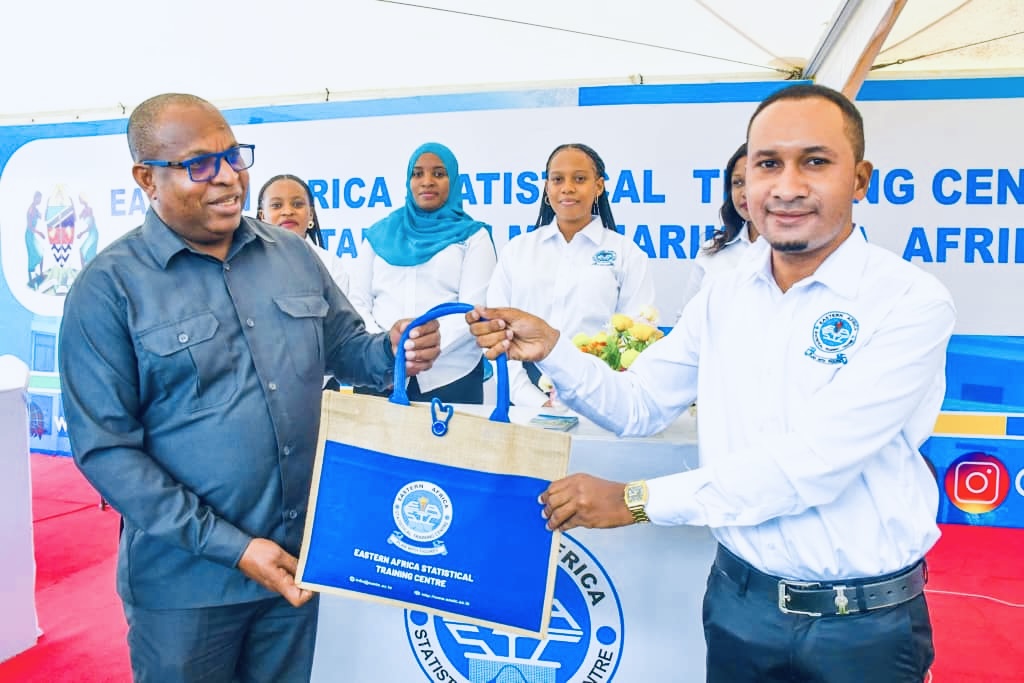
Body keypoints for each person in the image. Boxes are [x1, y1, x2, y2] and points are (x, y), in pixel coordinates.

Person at [468, 84, 955, 683]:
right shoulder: (725, 294)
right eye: (768, 163)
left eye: (816, 162)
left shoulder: (909, 301)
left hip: (859, 627)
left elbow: (812, 464)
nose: (788, 185)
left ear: (859, 179)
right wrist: (554, 351)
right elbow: (640, 403)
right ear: (745, 181)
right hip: (737, 606)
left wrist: (635, 500)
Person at [57, 93, 440, 683]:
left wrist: (395, 351)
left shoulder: (291, 255)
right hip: (187, 589)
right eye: (201, 164)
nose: (230, 178)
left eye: (235, 156)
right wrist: (233, 548)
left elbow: (347, 352)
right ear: (146, 178)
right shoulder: (108, 289)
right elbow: (107, 450)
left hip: (298, 563)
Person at [486, 143, 655, 407]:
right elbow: (496, 332)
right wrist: (532, 400)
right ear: (546, 187)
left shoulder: (627, 254)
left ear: (598, 187)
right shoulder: (517, 251)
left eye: (579, 179)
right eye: (557, 179)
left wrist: (599, 397)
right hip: (524, 405)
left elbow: (635, 336)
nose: (567, 188)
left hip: (601, 401)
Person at [348, 142, 495, 404]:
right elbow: (358, 303)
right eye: (418, 174)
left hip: (451, 375)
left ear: (454, 181)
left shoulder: (474, 236)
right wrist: (386, 348)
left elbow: (473, 309)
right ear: (408, 181)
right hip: (380, 373)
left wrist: (417, 348)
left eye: (439, 174)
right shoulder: (378, 235)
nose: (427, 182)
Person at [677, 143, 761, 313]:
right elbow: (686, 320)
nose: (744, 192)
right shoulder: (713, 250)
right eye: (737, 183)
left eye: (752, 182)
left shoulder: (798, 253)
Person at [257, 173, 349, 295]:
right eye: (277, 205)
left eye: (297, 204)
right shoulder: (248, 263)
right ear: (262, 216)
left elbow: (341, 313)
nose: (288, 212)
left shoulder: (329, 263)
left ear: (311, 213)